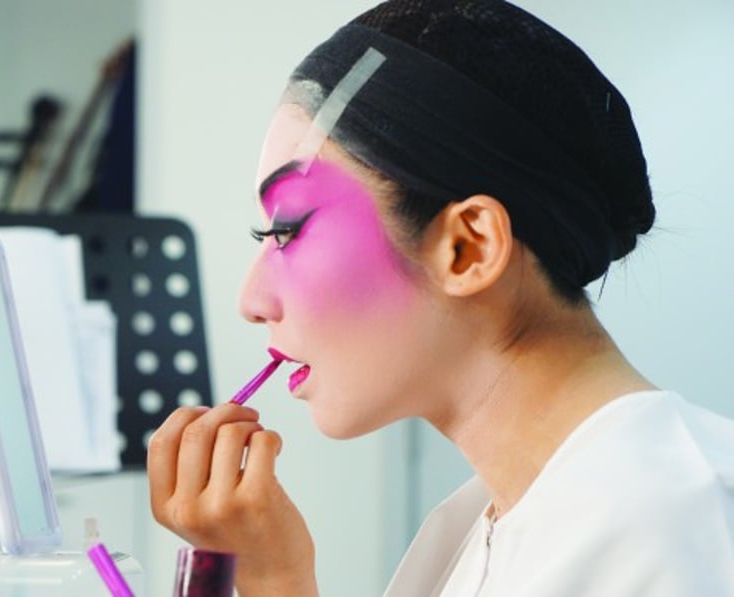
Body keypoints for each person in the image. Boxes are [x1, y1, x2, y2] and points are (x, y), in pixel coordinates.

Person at [146, 1, 734, 595]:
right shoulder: (484, 523)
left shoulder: (672, 528)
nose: (251, 300)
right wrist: (277, 577)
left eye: (287, 232)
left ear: (469, 247)